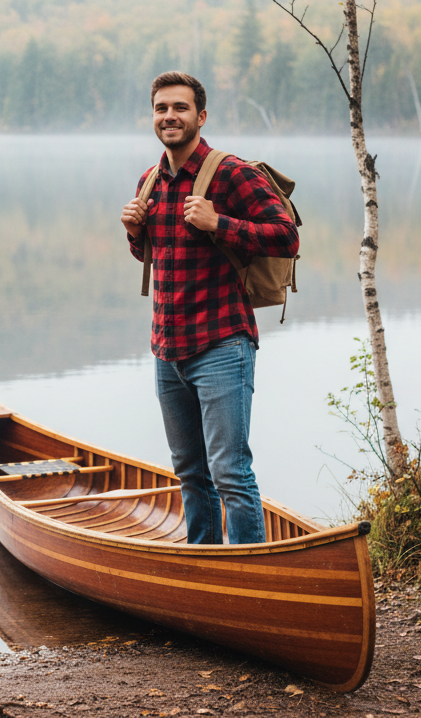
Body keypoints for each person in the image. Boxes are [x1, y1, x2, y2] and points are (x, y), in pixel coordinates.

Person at [120, 71, 299, 546]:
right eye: (161, 108)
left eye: (179, 108)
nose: (169, 116)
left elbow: (287, 237)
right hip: (167, 350)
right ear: (153, 117)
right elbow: (154, 256)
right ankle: (205, 567)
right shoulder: (150, 181)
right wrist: (135, 233)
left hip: (222, 344)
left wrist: (219, 222)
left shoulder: (231, 173)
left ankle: (252, 579)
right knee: (190, 473)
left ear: (201, 116)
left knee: (230, 474)